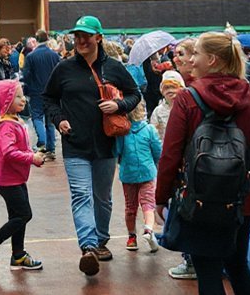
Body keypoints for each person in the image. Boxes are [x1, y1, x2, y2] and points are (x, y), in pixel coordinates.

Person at [156, 31, 250, 295]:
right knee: (238, 267)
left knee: (207, 272)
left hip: (198, 201)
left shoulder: (188, 99)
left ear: (211, 60)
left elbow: (170, 155)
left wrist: (161, 197)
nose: (192, 60)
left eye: (196, 53)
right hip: (239, 203)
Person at [43, 15, 141, 277]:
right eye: (77, 36)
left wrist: (119, 105)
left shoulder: (115, 68)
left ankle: (101, 240)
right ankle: (88, 246)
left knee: (103, 197)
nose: (81, 40)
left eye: (86, 35)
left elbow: (135, 94)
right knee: (80, 194)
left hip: (106, 143)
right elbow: (49, 98)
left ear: (99, 37)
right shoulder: (63, 68)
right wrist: (59, 119)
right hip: (75, 143)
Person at [0, 79, 45, 274]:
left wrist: (32, 154)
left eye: (23, 96)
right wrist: (31, 157)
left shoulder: (14, 120)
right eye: (18, 97)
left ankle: (18, 255)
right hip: (7, 180)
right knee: (24, 214)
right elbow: (8, 152)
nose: (23, 100)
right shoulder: (7, 125)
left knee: (17, 216)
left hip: (15, 177)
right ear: (6, 100)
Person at [115, 102, 162, 254]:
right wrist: (153, 164)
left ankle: (131, 237)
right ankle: (148, 230)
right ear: (142, 111)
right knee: (148, 205)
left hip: (128, 174)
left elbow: (117, 151)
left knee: (130, 207)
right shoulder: (149, 130)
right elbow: (157, 151)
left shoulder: (123, 133)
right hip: (147, 173)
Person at [23, 29, 62, 160]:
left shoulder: (31, 56)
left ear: (36, 39)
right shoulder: (54, 55)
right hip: (51, 93)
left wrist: (27, 88)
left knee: (37, 118)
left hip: (36, 92)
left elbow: (27, 76)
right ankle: (51, 149)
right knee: (50, 121)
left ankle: (42, 143)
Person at [152, 70, 184, 141]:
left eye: (173, 87)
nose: (170, 91)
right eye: (166, 88)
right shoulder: (158, 111)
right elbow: (154, 135)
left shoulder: (187, 108)